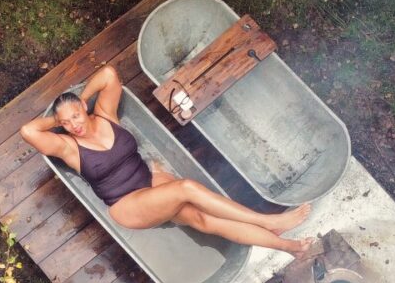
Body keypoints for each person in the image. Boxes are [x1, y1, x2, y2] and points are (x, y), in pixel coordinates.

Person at [20, 64, 312, 255]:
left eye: (76, 116)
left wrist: (79, 99)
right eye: (66, 123)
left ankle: (286, 246)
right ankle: (269, 220)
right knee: (186, 188)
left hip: (150, 185)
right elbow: (28, 131)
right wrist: (57, 120)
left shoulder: (105, 115)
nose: (75, 125)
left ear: (85, 109)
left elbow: (108, 74)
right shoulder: (68, 147)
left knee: (203, 219)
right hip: (127, 205)